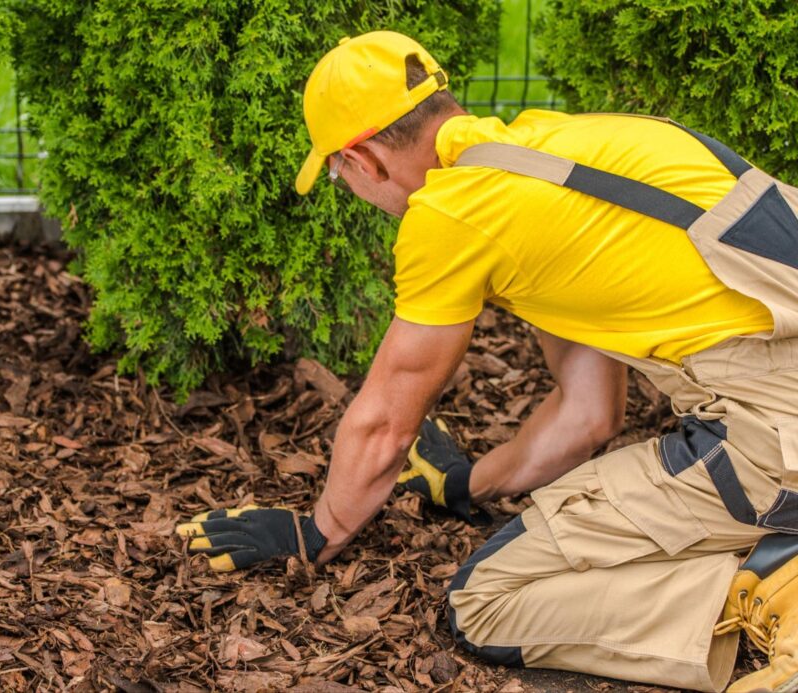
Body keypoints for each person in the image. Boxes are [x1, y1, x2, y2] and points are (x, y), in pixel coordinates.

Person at [176, 31, 798, 693]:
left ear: (364, 160)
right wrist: (464, 485)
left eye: (335, 171)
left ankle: (773, 585)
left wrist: (315, 531)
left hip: (775, 436)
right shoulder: (553, 154)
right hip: (777, 393)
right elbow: (589, 415)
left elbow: (385, 424)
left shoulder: (450, 214)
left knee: (486, 601)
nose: (346, 184)